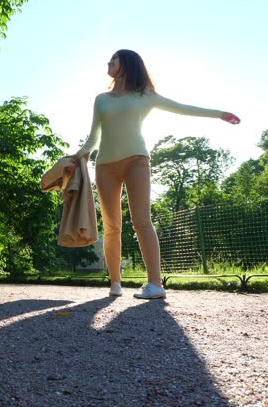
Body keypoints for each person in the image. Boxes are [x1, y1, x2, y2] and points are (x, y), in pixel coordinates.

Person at [70, 49, 240, 299]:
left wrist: (219, 114)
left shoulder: (145, 95)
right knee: (111, 226)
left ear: (127, 64)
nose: (109, 62)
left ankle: (155, 284)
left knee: (142, 221)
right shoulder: (101, 99)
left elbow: (181, 108)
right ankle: (115, 283)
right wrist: (76, 158)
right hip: (105, 166)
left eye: (114, 59)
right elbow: (93, 138)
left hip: (136, 161)